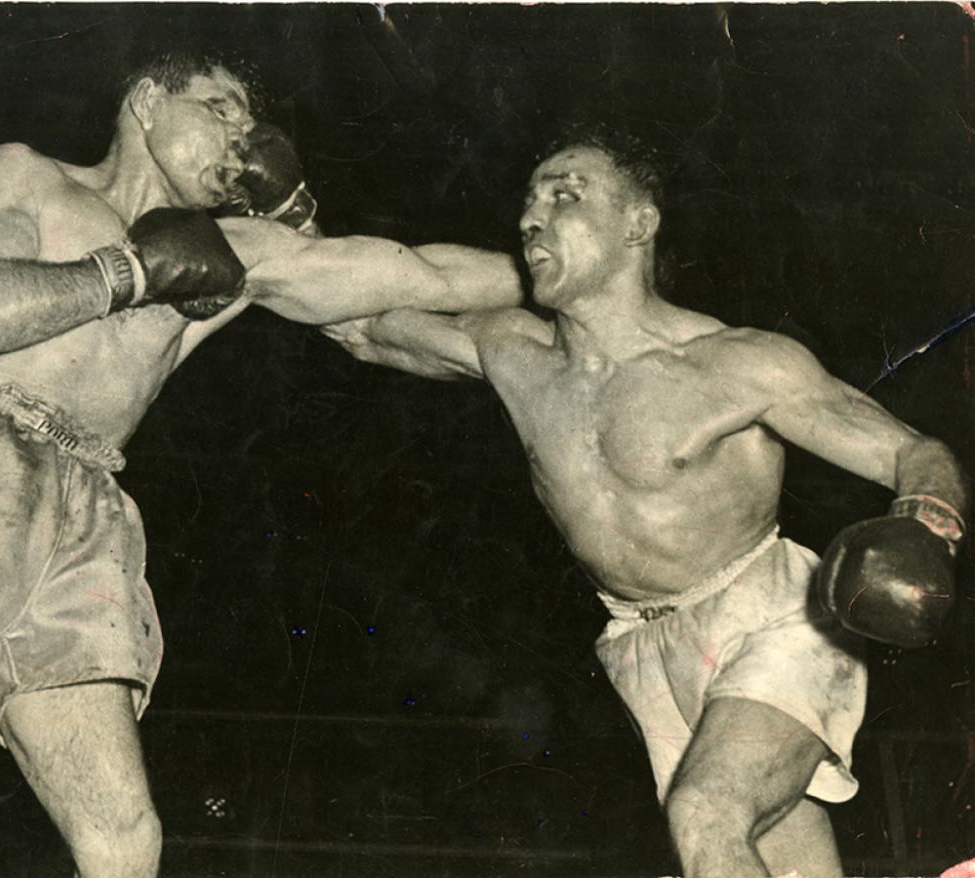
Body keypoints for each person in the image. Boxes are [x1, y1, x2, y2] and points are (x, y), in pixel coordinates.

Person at [0, 51, 522, 878]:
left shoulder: (233, 252)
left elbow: (416, 273)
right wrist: (132, 271)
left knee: (124, 840)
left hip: (84, 498)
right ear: (149, 99)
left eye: (251, 124)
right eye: (221, 108)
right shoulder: (30, 175)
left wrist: (566, 276)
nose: (242, 139)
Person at [321, 125, 969, 878]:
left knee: (706, 813)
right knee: (767, 854)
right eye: (529, 202)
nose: (534, 217)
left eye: (567, 194)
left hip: (778, 619)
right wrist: (280, 212)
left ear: (639, 223)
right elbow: (364, 327)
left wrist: (925, 524)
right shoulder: (512, 354)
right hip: (644, 644)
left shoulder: (736, 364)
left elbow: (914, 452)